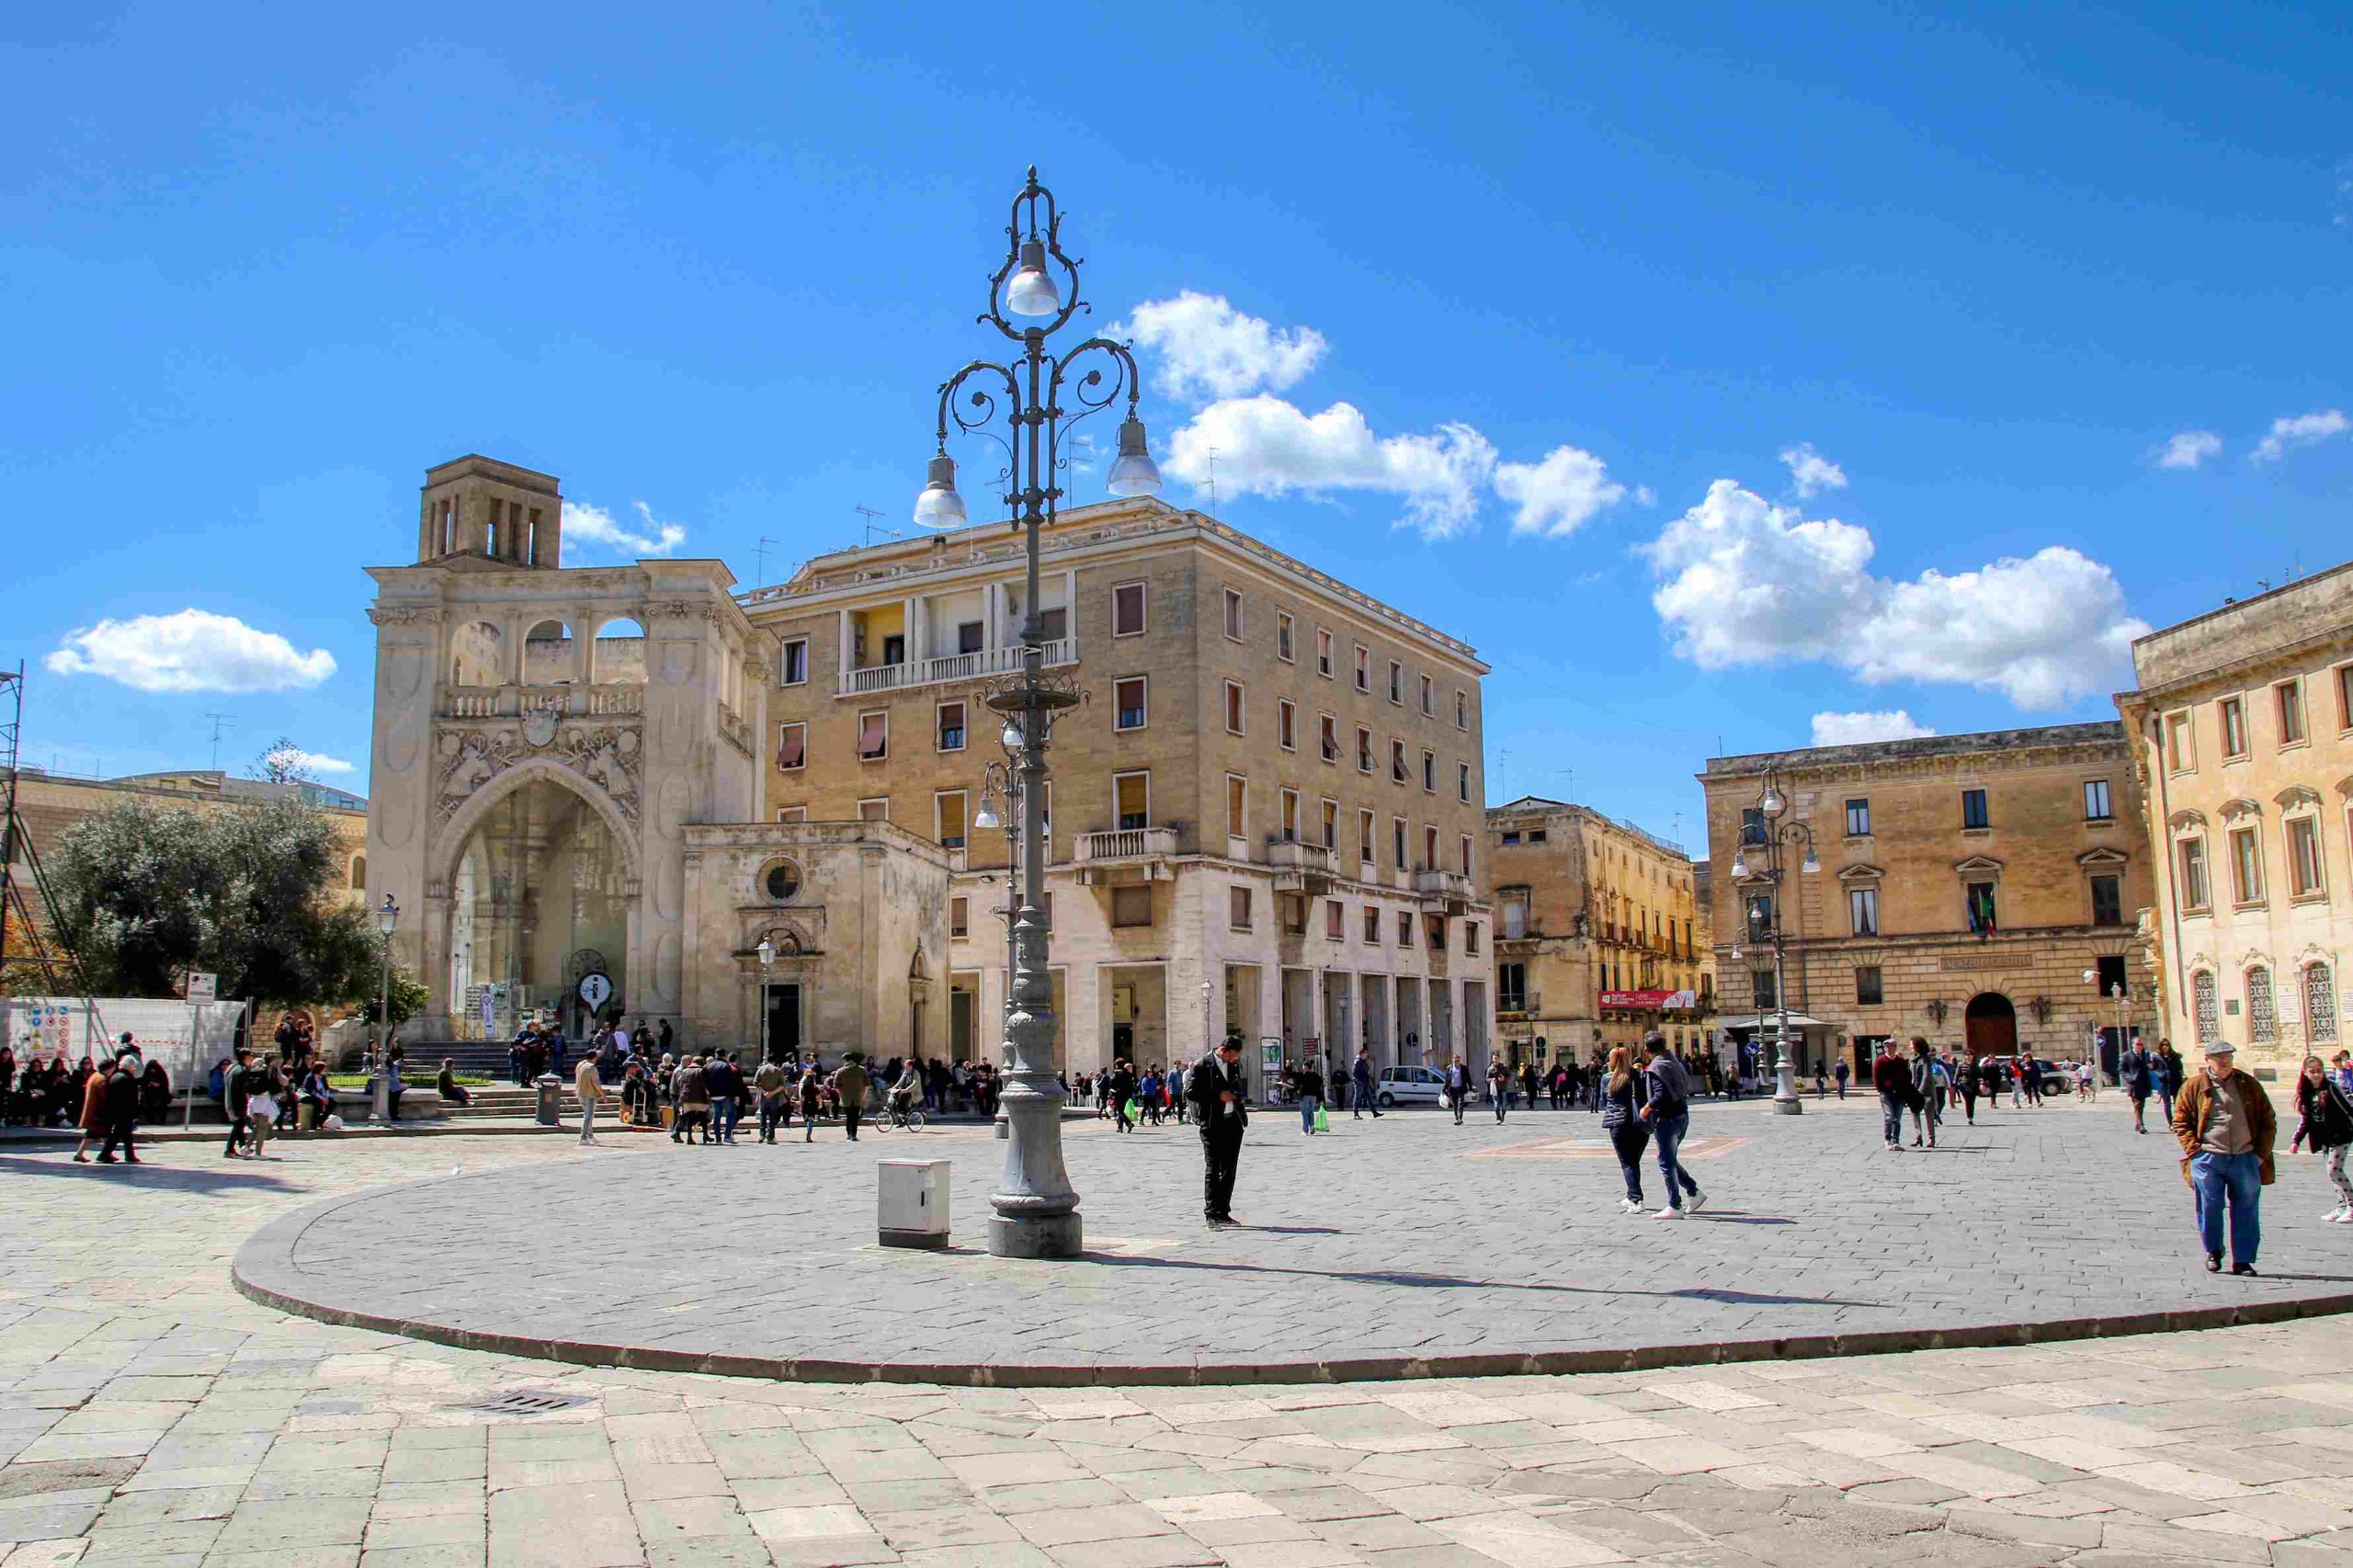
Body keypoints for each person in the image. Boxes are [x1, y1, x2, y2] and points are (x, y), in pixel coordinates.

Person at [2171, 1039, 2274, 1275]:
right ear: (2207, 1060)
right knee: (2210, 1206)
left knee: (2247, 1208)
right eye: (2220, 1058)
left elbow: (2268, 1120)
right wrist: (2194, 1151)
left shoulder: (2248, 1084)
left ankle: (2243, 1260)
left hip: (2245, 1157)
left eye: (2228, 1057)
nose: (2225, 1062)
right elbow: (2181, 1121)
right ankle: (2214, 1251)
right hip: (2209, 1158)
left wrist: (2260, 1154)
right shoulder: (2194, 1087)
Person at [1188, 1033, 1249, 1228]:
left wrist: (1237, 1096)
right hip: (1212, 1123)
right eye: (1232, 1055)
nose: (1235, 1059)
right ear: (1223, 1050)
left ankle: (1224, 1211)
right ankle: (1211, 1213)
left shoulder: (1233, 1065)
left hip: (1233, 1122)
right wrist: (1217, 1095)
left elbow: (1238, 1087)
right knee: (1213, 1169)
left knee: (1229, 1170)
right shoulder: (1202, 1065)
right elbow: (1190, 1092)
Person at [1641, 1034, 1703, 1217]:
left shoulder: (1657, 1066)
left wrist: (1647, 1107)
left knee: (1666, 1162)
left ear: (1646, 1049)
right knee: (1669, 1158)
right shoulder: (1673, 1061)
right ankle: (1693, 1192)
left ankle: (1675, 1205)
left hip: (1667, 1118)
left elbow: (1660, 1094)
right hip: (1682, 1114)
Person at [2290, 1056, 2353, 1223]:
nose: (2317, 1074)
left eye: (2319, 1071)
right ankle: (2341, 1206)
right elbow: (2306, 1120)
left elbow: (2348, 1109)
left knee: (2334, 1170)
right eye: (2312, 1072)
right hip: (2324, 1139)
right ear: (2305, 1073)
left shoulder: (2332, 1088)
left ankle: (2351, 1205)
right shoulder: (2306, 1092)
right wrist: (2296, 1140)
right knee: (2331, 1172)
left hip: (2341, 1135)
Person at [1600, 1045, 1649, 1214]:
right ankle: (1631, 1195)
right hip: (1639, 1124)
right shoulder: (1639, 1076)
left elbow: (1603, 1102)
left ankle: (1636, 1198)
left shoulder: (1607, 1078)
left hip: (1618, 1124)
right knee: (1633, 1162)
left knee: (1627, 1163)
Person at [71, 1054, 113, 1164]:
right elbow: (105, 1096)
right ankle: (105, 1153)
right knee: (96, 1133)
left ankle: (107, 1153)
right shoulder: (102, 1079)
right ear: (108, 1068)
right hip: (98, 1111)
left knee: (98, 1134)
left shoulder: (95, 1075)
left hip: (93, 1110)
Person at [1872, 1043, 1911, 1153]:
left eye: (1893, 1046)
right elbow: (1876, 1077)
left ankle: (1896, 1141)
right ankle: (1887, 1139)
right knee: (1889, 1116)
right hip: (1886, 1093)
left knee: (1897, 1119)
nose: (1891, 1049)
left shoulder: (1900, 1061)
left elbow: (1907, 1076)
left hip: (1899, 1093)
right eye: (1888, 1047)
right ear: (1885, 1048)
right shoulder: (1880, 1061)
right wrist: (1881, 1090)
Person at [671, 1055, 710, 1145]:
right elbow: (705, 1084)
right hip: (699, 1098)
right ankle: (705, 1135)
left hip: (686, 1098)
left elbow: (680, 1084)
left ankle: (689, 1137)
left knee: (688, 1117)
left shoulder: (684, 1071)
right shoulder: (701, 1070)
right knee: (704, 1117)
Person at [1908, 1039, 1938, 1150]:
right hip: (1914, 1091)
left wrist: (1920, 1091)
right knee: (1914, 1113)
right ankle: (1918, 1136)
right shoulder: (1913, 1059)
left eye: (1911, 1044)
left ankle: (1931, 1138)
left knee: (1929, 1115)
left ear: (1917, 1046)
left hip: (1925, 1092)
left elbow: (1926, 1076)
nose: (1910, 1046)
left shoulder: (1926, 1059)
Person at [832, 1053, 870, 1141]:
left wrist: (841, 1094)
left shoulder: (840, 1071)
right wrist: (863, 1095)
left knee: (848, 1117)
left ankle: (849, 1134)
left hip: (846, 1098)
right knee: (855, 1117)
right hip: (858, 1097)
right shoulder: (862, 1070)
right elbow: (867, 1084)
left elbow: (836, 1086)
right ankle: (854, 1135)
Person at [574, 1050, 607, 1145]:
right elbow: (596, 1083)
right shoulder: (591, 1067)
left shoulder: (580, 1064)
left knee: (588, 1115)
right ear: (595, 1058)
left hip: (580, 1092)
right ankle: (583, 1137)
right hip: (590, 1094)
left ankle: (590, 1135)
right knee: (588, 1116)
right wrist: (602, 1095)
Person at [2120, 1039, 2154, 1133]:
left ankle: (2138, 1124)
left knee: (2142, 1105)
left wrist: (2151, 1065)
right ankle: (2141, 1125)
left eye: (2141, 1044)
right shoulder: (2126, 1055)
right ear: (2133, 1045)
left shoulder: (2146, 1054)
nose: (2139, 1046)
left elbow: (2150, 1066)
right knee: (2137, 1104)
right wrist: (2129, 1078)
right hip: (2134, 1084)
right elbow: (2121, 1069)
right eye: (2137, 1044)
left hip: (2144, 1083)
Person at [755, 1055, 790, 1142]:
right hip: (774, 1096)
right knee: (773, 1116)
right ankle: (770, 1136)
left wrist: (764, 1092)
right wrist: (772, 1093)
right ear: (775, 1062)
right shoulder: (778, 1071)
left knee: (763, 1115)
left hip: (764, 1095)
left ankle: (762, 1135)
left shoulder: (761, 1069)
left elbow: (755, 1082)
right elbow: (782, 1085)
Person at [1294, 1057, 1324, 1134]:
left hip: (1305, 1096)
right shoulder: (1317, 1077)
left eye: (1304, 1066)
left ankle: (1305, 1130)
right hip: (1314, 1097)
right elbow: (1319, 1089)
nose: (1303, 1068)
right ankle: (1312, 1126)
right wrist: (1321, 1099)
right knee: (1311, 1111)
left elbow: (1297, 1083)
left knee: (1304, 1113)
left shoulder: (1304, 1075)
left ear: (1306, 1067)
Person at [1351, 1047, 1380, 1120]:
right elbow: (1354, 1072)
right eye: (1366, 1053)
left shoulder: (1363, 1061)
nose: (1367, 1054)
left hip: (1364, 1082)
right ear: (1362, 1054)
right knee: (1357, 1098)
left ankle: (1374, 1113)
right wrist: (1359, 1080)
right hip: (1360, 1082)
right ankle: (1356, 1114)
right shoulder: (1358, 1061)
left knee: (1369, 1098)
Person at [1444, 1055, 1472, 1126]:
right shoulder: (1449, 1068)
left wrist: (1470, 1087)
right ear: (1452, 1060)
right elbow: (1447, 1079)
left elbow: (1468, 1078)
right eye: (1455, 1061)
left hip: (1461, 1088)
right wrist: (1445, 1089)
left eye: (1458, 1061)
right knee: (1455, 1105)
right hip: (1452, 1089)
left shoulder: (1464, 1068)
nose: (1456, 1062)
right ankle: (1457, 1117)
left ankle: (1460, 1118)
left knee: (1460, 1104)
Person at [1485, 1057, 1509, 1124]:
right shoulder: (1490, 1069)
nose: (1495, 1060)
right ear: (1492, 1059)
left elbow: (1508, 1076)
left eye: (1496, 1058)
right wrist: (1491, 1080)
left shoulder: (1503, 1068)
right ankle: (1498, 1118)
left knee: (1504, 1105)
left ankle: (1503, 1116)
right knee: (1496, 1104)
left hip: (1503, 1088)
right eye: (1494, 1058)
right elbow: (1487, 1079)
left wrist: (1504, 1078)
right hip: (1494, 1088)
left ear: (1499, 1059)